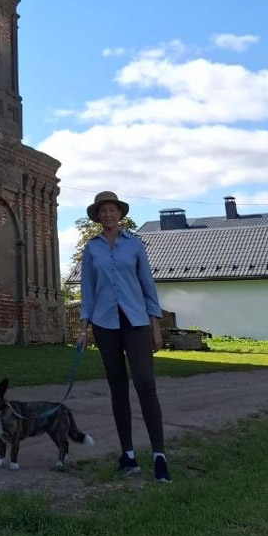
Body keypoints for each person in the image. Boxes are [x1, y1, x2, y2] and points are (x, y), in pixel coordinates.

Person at [77, 190, 171, 483]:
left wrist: (155, 325)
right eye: (103, 210)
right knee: (118, 389)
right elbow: (88, 289)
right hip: (105, 325)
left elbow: (147, 286)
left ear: (120, 214)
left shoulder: (135, 245)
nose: (108, 214)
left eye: (112, 210)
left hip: (137, 322)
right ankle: (128, 456)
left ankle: (159, 456)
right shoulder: (92, 249)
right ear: (98, 216)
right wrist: (83, 327)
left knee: (146, 386)